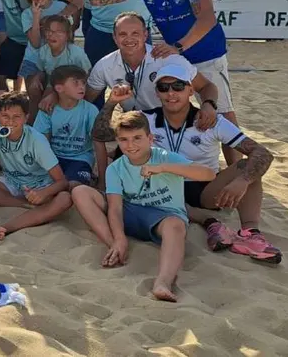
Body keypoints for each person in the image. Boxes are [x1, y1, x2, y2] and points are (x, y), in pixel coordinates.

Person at [85, 0, 236, 161]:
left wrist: (178, 46)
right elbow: (98, 0)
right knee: (171, 104)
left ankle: (234, 165)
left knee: (219, 111)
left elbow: (207, 18)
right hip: (173, 57)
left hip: (205, 54)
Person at [113, 66, 280, 262]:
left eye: (178, 86)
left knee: (248, 168)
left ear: (190, 91)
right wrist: (110, 103)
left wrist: (242, 181)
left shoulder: (212, 121)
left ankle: (250, 233)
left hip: (204, 188)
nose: (171, 93)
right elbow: (105, 137)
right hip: (159, 189)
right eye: (163, 88)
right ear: (157, 93)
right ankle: (208, 222)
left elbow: (263, 153)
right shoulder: (144, 118)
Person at [71, 111, 214, 302]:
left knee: (175, 226)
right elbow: (115, 207)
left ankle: (163, 281)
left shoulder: (165, 157)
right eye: (124, 140)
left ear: (150, 138)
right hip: (130, 211)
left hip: (164, 217)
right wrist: (119, 237)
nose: (131, 145)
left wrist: (164, 167)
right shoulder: (116, 168)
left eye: (137, 138)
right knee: (80, 192)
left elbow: (208, 174)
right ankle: (115, 245)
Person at [0, 92, 73, 241]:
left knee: (64, 199)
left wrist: (43, 193)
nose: (10, 122)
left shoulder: (37, 141)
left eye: (17, 117)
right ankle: (23, 205)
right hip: (12, 182)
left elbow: (62, 181)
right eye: (5, 116)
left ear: (26, 118)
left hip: (39, 185)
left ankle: (7, 227)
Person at [84, 12, 220, 120]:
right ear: (114, 38)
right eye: (122, 34)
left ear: (145, 35)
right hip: (133, 126)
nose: (129, 39)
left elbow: (207, 86)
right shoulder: (104, 64)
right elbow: (87, 100)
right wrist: (111, 102)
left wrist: (209, 105)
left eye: (135, 33)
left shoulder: (168, 58)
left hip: (169, 122)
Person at [33, 65, 104, 188]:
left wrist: (103, 181)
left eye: (83, 82)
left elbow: (99, 144)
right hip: (53, 158)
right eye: (75, 83)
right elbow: (41, 142)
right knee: (42, 184)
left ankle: (86, 177)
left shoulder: (90, 110)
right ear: (59, 88)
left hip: (80, 158)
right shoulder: (48, 108)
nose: (82, 86)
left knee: (73, 187)